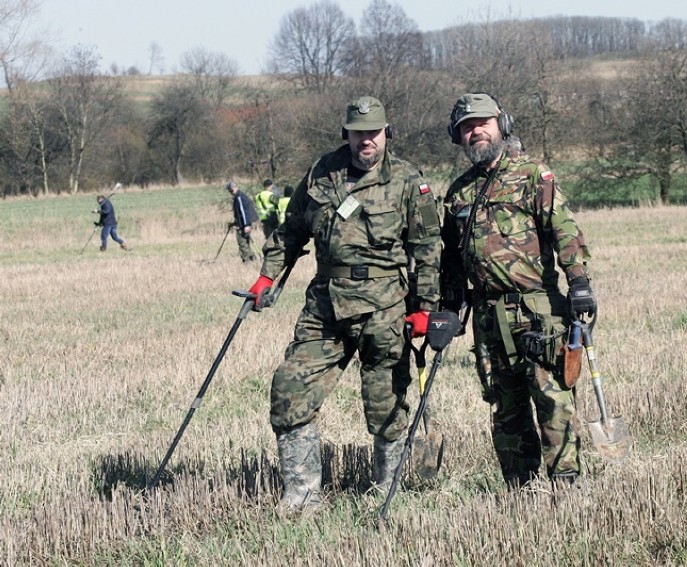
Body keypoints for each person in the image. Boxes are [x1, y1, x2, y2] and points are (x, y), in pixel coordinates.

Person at [246, 95, 441, 509]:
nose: (365, 141)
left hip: (385, 307)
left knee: (386, 403)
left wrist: (425, 308)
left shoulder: (408, 181)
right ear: (346, 134)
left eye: (373, 133)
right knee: (289, 388)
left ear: (387, 133)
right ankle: (301, 497)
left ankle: (387, 490)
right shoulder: (322, 173)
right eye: (358, 133)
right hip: (325, 308)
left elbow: (427, 249)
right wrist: (267, 275)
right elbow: (291, 229)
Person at [439, 92, 596, 489]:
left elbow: (564, 230)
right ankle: (519, 491)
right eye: (467, 127)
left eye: (482, 123)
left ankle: (567, 487)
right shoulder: (458, 193)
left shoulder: (532, 175)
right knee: (504, 407)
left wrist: (578, 283)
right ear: (457, 137)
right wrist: (451, 305)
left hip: (538, 312)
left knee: (553, 400)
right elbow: (453, 259)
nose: (476, 132)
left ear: (501, 125)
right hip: (488, 316)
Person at [226, 181, 259, 262]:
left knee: (242, 243)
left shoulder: (239, 197)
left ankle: (247, 260)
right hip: (243, 224)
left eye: (229, 190)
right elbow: (240, 214)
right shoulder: (239, 196)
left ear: (232, 189)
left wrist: (246, 225)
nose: (230, 193)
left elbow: (244, 212)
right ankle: (252, 259)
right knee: (246, 242)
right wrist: (234, 223)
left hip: (244, 225)